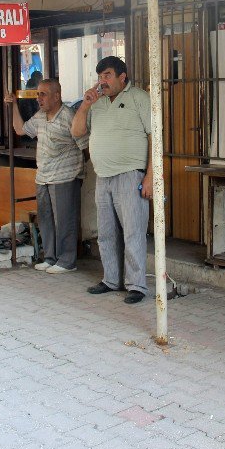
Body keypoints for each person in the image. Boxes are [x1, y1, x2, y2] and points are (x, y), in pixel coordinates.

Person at [71, 56, 153, 304]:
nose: (102, 82)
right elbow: (76, 132)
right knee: (105, 232)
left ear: (122, 77)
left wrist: (151, 176)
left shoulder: (139, 98)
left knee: (133, 232)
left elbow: (155, 138)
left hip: (131, 174)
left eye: (107, 75)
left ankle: (136, 284)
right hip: (103, 176)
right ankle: (111, 279)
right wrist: (85, 105)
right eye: (99, 77)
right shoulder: (96, 103)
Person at [4, 78, 89, 274]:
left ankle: (67, 261)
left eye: (43, 94)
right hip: (43, 175)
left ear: (57, 96)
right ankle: (50, 257)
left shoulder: (69, 116)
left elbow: (85, 148)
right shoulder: (40, 116)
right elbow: (20, 129)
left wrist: (77, 171)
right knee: (46, 219)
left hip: (66, 176)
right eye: (37, 94)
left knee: (65, 220)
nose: (38, 99)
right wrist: (13, 105)